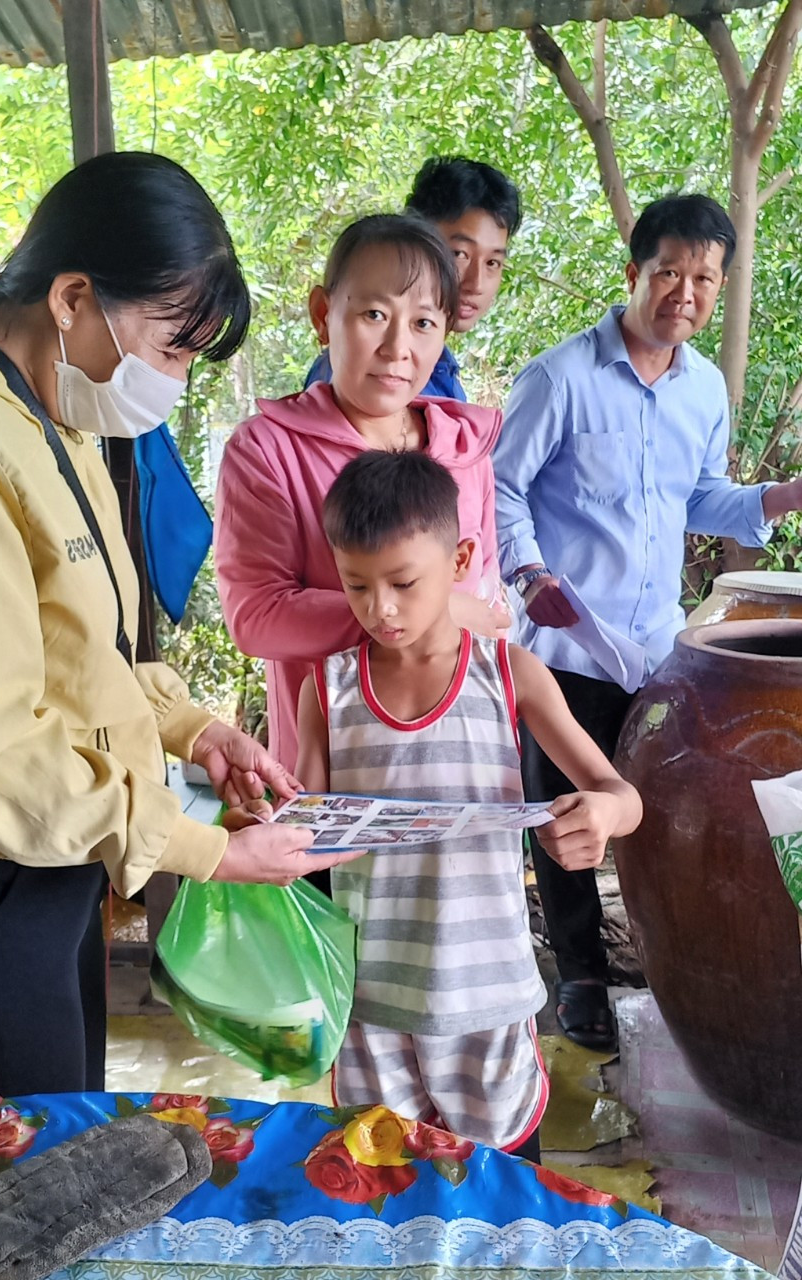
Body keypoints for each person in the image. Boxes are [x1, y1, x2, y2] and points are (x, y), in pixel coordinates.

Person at [0, 152, 362, 1111]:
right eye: (170, 346)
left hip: (47, 855)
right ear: (74, 296)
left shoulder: (47, 411)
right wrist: (206, 849)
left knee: (64, 1125)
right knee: (10, 1170)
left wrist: (193, 731)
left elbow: (87, 645)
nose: (173, 379)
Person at [228, 451, 641, 1157]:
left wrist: (599, 817)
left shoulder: (510, 675)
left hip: (490, 997)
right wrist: (261, 829)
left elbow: (622, 797)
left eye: (403, 582)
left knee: (503, 1198)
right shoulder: (329, 690)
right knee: (389, 1183)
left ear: (461, 561)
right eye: (356, 585)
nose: (379, 609)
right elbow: (308, 831)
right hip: (374, 1002)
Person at [494, 193, 802, 1051]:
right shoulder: (558, 378)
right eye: (669, 271)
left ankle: (667, 951)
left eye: (705, 278)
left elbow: (703, 497)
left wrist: (781, 498)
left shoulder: (705, 389)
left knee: (657, 804)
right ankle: (583, 975)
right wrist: (527, 572)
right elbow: (498, 489)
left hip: (657, 648)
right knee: (565, 808)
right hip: (563, 643)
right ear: (633, 273)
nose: (686, 292)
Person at [215, 213, 507, 776]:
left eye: (424, 323)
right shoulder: (270, 450)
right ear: (324, 316)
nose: (399, 347)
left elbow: (490, 602)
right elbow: (257, 615)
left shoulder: (466, 448)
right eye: (375, 314)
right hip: (337, 771)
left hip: (464, 759)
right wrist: (438, 611)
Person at [305, 156, 521, 399]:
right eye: (458, 254)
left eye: (492, 262)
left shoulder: (437, 368)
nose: (477, 284)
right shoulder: (366, 377)